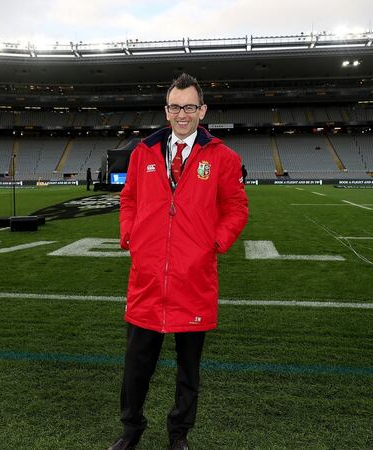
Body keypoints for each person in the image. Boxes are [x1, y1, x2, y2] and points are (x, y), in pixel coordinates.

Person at [110, 73, 249, 450]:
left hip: (193, 280)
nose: (182, 114)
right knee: (136, 366)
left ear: (202, 111)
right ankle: (131, 429)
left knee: (188, 371)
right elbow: (129, 200)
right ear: (166, 110)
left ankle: (179, 434)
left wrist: (214, 243)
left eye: (190, 106)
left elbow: (236, 208)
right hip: (148, 280)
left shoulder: (222, 157)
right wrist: (130, 235)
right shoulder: (144, 153)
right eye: (175, 106)